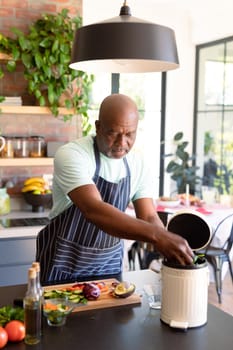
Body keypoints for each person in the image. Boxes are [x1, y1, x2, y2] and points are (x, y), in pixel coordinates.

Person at [36, 93, 193, 285]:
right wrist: (159, 236)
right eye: (113, 133)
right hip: (62, 268)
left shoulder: (138, 164)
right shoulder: (72, 154)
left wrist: (167, 245)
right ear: (98, 127)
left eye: (129, 134)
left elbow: (149, 216)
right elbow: (93, 209)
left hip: (109, 269)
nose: (121, 143)